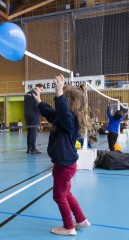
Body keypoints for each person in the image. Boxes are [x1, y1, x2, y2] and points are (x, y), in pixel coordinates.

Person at [33, 74, 91, 236]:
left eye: (61, 99)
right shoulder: (61, 117)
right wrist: (38, 101)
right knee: (66, 193)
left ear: (68, 102)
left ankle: (68, 227)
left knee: (59, 196)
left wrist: (59, 93)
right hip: (64, 163)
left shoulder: (69, 118)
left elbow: (63, 113)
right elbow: (50, 112)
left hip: (65, 165)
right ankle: (81, 220)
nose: (57, 102)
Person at [24, 83, 44, 154]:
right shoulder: (35, 94)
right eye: (41, 89)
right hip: (34, 115)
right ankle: (33, 149)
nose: (41, 91)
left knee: (29, 131)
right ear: (38, 88)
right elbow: (37, 106)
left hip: (26, 115)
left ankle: (29, 148)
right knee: (33, 132)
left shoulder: (27, 93)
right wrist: (43, 113)